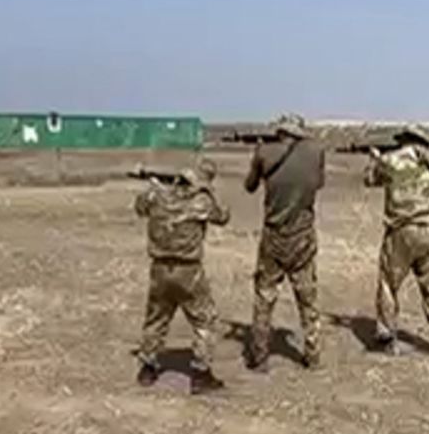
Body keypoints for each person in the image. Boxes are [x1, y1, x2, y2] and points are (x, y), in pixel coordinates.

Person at [132, 160, 230, 394]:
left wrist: (157, 187)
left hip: (159, 269)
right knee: (205, 321)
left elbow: (139, 207)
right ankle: (201, 374)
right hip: (189, 271)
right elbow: (223, 215)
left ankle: (147, 368)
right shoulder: (201, 201)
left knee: (156, 319)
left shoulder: (156, 197)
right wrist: (208, 191)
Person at [243, 113, 326, 371]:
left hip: (273, 237)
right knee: (308, 299)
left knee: (264, 298)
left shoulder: (264, 153)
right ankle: (313, 355)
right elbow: (319, 183)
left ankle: (260, 356)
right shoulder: (316, 152)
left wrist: (258, 158)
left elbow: (250, 186)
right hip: (303, 237)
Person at [363, 125, 429, 356]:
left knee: (388, 285)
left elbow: (369, 179)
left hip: (401, 232)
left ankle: (386, 334)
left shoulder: (391, 160)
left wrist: (375, 160)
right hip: (427, 230)